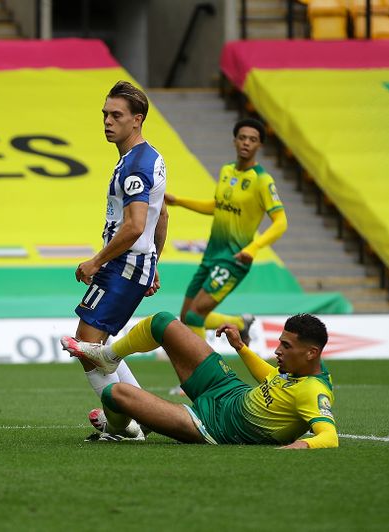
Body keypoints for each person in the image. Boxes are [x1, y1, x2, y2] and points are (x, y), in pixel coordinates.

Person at [59, 80, 169, 439]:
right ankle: (141, 418)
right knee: (100, 348)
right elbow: (162, 214)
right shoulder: (149, 156)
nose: (107, 121)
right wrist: (155, 263)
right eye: (105, 114)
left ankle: (126, 425)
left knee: (88, 347)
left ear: (137, 119)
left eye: (116, 115)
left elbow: (136, 226)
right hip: (136, 264)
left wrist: (96, 261)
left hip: (123, 265)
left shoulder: (134, 165)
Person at [63, 311, 338, 448]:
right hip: (228, 389)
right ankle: (109, 355)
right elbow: (269, 376)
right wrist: (241, 347)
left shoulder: (313, 391)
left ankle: (122, 429)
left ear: (312, 352)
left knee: (115, 394)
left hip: (211, 425)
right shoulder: (301, 369)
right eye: (280, 342)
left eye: (286, 347)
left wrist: (303, 444)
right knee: (163, 322)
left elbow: (329, 436)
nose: (277, 350)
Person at [165, 118, 287, 344]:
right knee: (185, 317)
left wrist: (253, 248)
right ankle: (241, 323)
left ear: (259, 146)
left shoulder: (262, 180)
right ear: (234, 141)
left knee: (194, 315)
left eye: (253, 140)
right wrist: (179, 201)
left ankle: (200, 377)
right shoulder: (226, 171)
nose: (246, 143)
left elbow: (281, 221)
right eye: (242, 138)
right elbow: (217, 206)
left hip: (235, 258)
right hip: (212, 254)